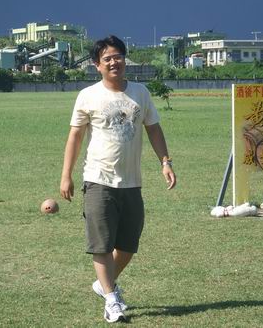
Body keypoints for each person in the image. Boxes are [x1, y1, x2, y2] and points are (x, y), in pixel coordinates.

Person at [60, 35, 177, 323]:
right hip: (98, 178)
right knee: (101, 243)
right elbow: (75, 136)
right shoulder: (88, 95)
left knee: (128, 244)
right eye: (107, 58)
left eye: (118, 56)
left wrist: (165, 161)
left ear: (125, 59)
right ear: (97, 65)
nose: (114, 62)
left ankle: (104, 284)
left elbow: (154, 128)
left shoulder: (140, 92)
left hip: (131, 181)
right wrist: (66, 176)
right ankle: (112, 299)